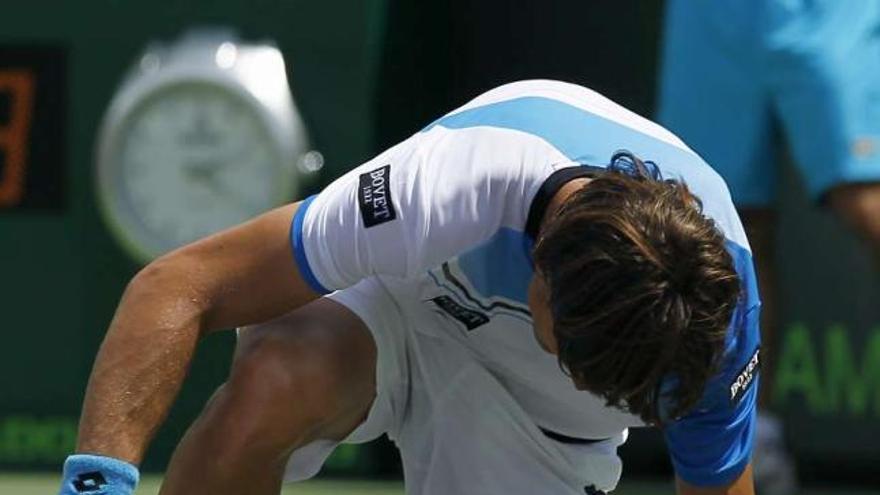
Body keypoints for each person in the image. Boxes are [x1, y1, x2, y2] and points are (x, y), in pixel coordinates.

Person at [59, 80, 760, 495]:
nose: (579, 374)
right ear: (539, 273)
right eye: (581, 363)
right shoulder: (451, 182)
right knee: (273, 380)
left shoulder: (707, 314)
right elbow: (179, 284)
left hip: (546, 430)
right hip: (401, 300)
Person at [658, 1, 880, 493]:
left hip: (826, 12)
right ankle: (755, 440)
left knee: (867, 201)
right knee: (717, 223)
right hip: (709, 16)